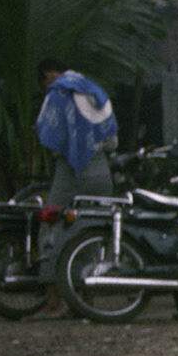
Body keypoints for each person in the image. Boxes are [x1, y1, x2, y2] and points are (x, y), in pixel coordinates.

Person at [31, 59, 118, 319]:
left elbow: (46, 131)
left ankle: (54, 303)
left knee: (50, 227)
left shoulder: (57, 93)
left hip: (69, 170)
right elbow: (112, 141)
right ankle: (85, 302)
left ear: (49, 74)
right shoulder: (95, 91)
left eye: (43, 81)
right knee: (92, 231)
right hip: (99, 168)